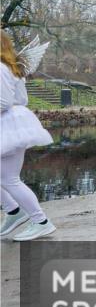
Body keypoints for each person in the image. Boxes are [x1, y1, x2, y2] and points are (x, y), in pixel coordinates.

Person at [0, 32, 56, 241]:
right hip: (14, 122)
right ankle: (14, 211)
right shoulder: (13, 67)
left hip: (9, 124)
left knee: (9, 178)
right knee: (5, 177)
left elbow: (4, 103)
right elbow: (21, 98)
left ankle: (41, 221)